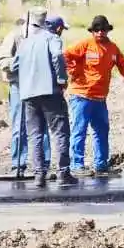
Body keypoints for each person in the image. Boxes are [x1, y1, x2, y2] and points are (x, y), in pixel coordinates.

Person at [62, 14, 124, 177]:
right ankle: (76, 165)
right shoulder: (85, 45)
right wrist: (74, 71)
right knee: (79, 130)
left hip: (100, 98)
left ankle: (101, 165)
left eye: (103, 29)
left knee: (101, 131)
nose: (100, 32)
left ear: (108, 30)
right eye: (96, 29)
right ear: (92, 31)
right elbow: (65, 56)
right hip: (81, 96)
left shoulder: (112, 49)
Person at [12, 12, 76, 188]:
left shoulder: (26, 42)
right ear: (57, 28)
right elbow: (57, 56)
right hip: (50, 92)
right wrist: (61, 78)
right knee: (60, 132)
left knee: (35, 136)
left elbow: (14, 65)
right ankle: (64, 172)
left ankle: (39, 175)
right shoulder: (52, 38)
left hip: (29, 95)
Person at [0, 9, 49, 177]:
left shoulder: (48, 36)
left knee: (43, 127)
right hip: (19, 86)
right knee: (20, 126)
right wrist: (19, 63)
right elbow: (1, 60)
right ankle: (17, 165)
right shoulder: (15, 36)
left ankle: (43, 166)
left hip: (41, 86)